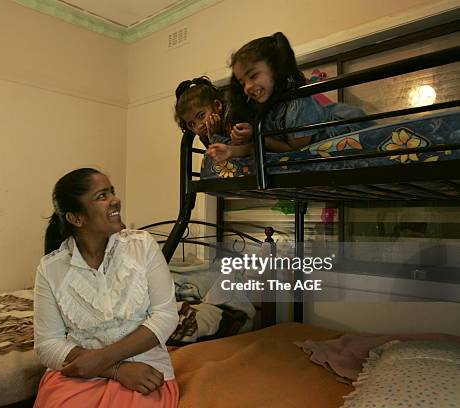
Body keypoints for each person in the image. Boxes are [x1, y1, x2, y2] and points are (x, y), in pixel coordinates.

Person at [34, 168, 180, 407]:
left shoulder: (142, 246)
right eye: (102, 196)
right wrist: (114, 370)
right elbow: (47, 344)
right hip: (79, 374)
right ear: (76, 218)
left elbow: (165, 316)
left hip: (146, 371)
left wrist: (102, 359)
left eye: (112, 192)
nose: (115, 200)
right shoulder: (51, 268)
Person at [208, 32, 373, 160]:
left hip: (351, 129)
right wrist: (233, 148)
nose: (247, 87)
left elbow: (293, 150)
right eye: (242, 82)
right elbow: (261, 146)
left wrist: (253, 137)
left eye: (253, 76)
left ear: (276, 68)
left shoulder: (297, 103)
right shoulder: (265, 108)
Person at [174, 76, 255, 178]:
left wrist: (216, 137)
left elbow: (247, 149)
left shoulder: (234, 114)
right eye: (192, 124)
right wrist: (213, 137)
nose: (199, 125)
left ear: (217, 105)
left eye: (201, 115)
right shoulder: (205, 133)